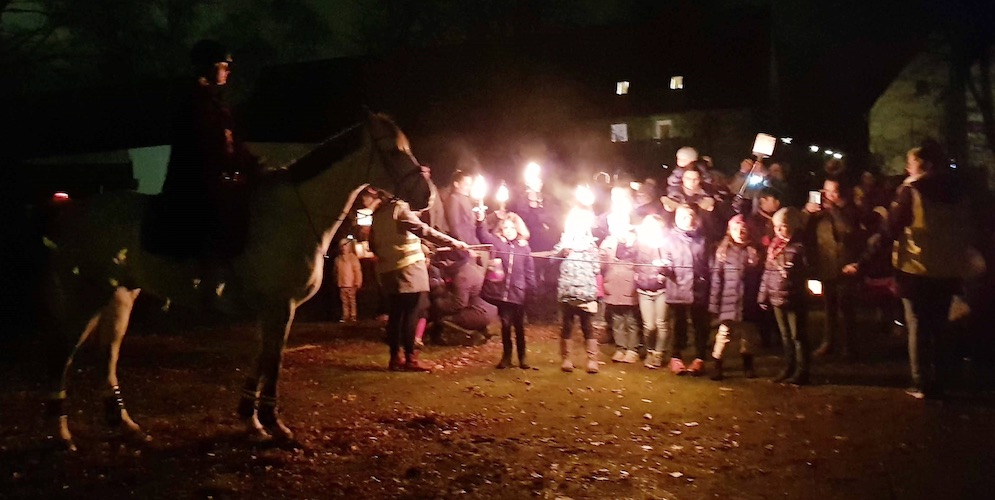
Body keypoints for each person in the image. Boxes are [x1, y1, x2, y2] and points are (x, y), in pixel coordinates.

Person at [157, 39, 260, 261]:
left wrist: (254, 165)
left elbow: (234, 143)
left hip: (213, 176)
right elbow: (206, 146)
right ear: (210, 67)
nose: (228, 71)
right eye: (224, 66)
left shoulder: (216, 102)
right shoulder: (193, 101)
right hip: (195, 181)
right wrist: (232, 169)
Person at [889, 140, 975, 400]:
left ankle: (920, 382)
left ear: (923, 165)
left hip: (916, 268)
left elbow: (892, 227)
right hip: (948, 269)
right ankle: (941, 379)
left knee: (917, 325)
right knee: (939, 327)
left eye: (911, 162)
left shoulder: (912, 190)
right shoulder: (959, 192)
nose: (907, 167)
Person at [364, 188, 469, 371]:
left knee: (395, 316)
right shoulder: (400, 208)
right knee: (411, 314)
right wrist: (453, 242)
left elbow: (373, 244)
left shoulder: (378, 214)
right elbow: (423, 230)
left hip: (388, 272)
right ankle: (410, 359)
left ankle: (395, 358)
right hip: (409, 271)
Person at [803, 178, 862, 358]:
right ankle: (828, 342)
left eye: (833, 192)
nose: (828, 196)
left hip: (845, 264)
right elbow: (803, 229)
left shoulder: (849, 209)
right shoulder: (820, 210)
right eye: (826, 191)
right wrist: (807, 211)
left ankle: (849, 346)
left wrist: (833, 209)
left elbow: (848, 230)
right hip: (826, 262)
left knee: (846, 307)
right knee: (829, 307)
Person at [476, 215, 536, 369]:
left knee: (519, 326)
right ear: (501, 230)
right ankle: (507, 357)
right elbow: (483, 235)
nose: (509, 231)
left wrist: (531, 289)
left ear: (518, 229)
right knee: (505, 325)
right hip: (502, 293)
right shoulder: (498, 243)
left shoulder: (524, 247)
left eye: (512, 228)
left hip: (518, 292)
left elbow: (529, 270)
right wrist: (480, 220)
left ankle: (522, 358)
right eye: (506, 228)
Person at [758, 207, 810, 385]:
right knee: (785, 335)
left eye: (783, 226)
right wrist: (763, 295)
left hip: (795, 298)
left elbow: (808, 271)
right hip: (776, 298)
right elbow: (767, 272)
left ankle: (802, 370)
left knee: (798, 336)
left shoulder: (800, 247)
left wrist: (794, 276)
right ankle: (788, 366)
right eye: (776, 226)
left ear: (793, 226)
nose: (779, 230)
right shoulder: (774, 247)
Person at [709, 215, 762, 380]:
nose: (740, 232)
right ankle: (717, 363)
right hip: (728, 300)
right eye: (735, 229)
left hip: (748, 301)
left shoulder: (753, 251)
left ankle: (748, 364)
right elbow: (717, 279)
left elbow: (759, 278)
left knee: (748, 336)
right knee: (724, 334)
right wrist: (714, 303)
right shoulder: (723, 252)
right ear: (729, 231)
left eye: (743, 229)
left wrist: (759, 299)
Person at [661, 205, 711, 376]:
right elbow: (666, 261)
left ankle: (699, 358)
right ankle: (675, 357)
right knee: (678, 325)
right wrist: (664, 267)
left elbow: (707, 262)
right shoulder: (668, 238)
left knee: (700, 325)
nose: (685, 219)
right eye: (681, 215)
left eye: (689, 215)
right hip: (678, 288)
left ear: (695, 217)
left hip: (699, 288)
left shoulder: (703, 239)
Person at [553, 206, 602, 374]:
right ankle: (566, 359)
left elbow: (596, 268)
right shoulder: (564, 242)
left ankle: (592, 360)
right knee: (567, 325)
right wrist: (561, 253)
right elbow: (552, 259)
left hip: (586, 292)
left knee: (587, 325)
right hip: (567, 292)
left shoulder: (591, 245)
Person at [634, 214, 671, 369]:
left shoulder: (665, 244)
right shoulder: (639, 244)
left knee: (661, 323)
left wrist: (666, 267)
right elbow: (630, 259)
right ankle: (649, 350)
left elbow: (672, 263)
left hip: (662, 290)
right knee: (649, 326)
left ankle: (658, 354)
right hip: (644, 289)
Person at [600, 222, 639, 364]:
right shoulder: (608, 243)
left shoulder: (635, 242)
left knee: (631, 319)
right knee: (617, 319)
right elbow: (601, 264)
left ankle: (632, 349)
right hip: (613, 284)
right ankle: (621, 348)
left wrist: (631, 244)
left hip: (629, 285)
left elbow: (640, 260)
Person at [444, 170, 480, 245]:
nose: (469, 188)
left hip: (472, 243)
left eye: (470, 185)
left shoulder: (465, 199)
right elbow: (455, 227)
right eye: (466, 184)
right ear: (456, 184)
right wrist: (465, 249)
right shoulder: (454, 199)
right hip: (464, 247)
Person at [334, 238, 362, 323]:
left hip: (351, 283)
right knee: (344, 301)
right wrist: (336, 281)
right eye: (342, 246)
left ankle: (353, 315)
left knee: (352, 301)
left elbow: (357, 270)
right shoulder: (338, 259)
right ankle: (345, 315)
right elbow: (335, 272)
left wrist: (357, 282)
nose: (343, 248)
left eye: (345, 246)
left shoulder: (353, 258)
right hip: (342, 284)